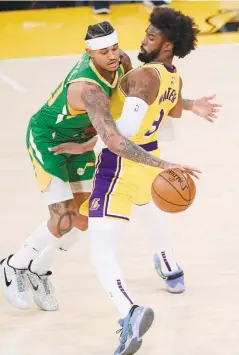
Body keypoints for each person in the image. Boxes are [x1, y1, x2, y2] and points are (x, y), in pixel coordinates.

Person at [0, 19, 218, 314]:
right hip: (50, 139)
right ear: (89, 54)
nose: (113, 56)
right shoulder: (88, 89)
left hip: (85, 138)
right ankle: (14, 265)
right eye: (104, 52)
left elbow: (143, 100)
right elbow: (115, 141)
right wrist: (165, 164)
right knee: (63, 217)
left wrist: (190, 105)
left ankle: (39, 272)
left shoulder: (124, 62)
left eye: (114, 48)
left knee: (83, 219)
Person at [51, 8, 219, 355]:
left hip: (121, 165)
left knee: (101, 252)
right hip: (147, 159)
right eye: (146, 32)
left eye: (152, 36)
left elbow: (121, 134)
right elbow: (170, 110)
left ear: (168, 45)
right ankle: (171, 266)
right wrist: (191, 105)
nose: (143, 39)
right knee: (150, 209)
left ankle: (129, 312)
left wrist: (88, 140)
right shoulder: (173, 76)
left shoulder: (142, 76)